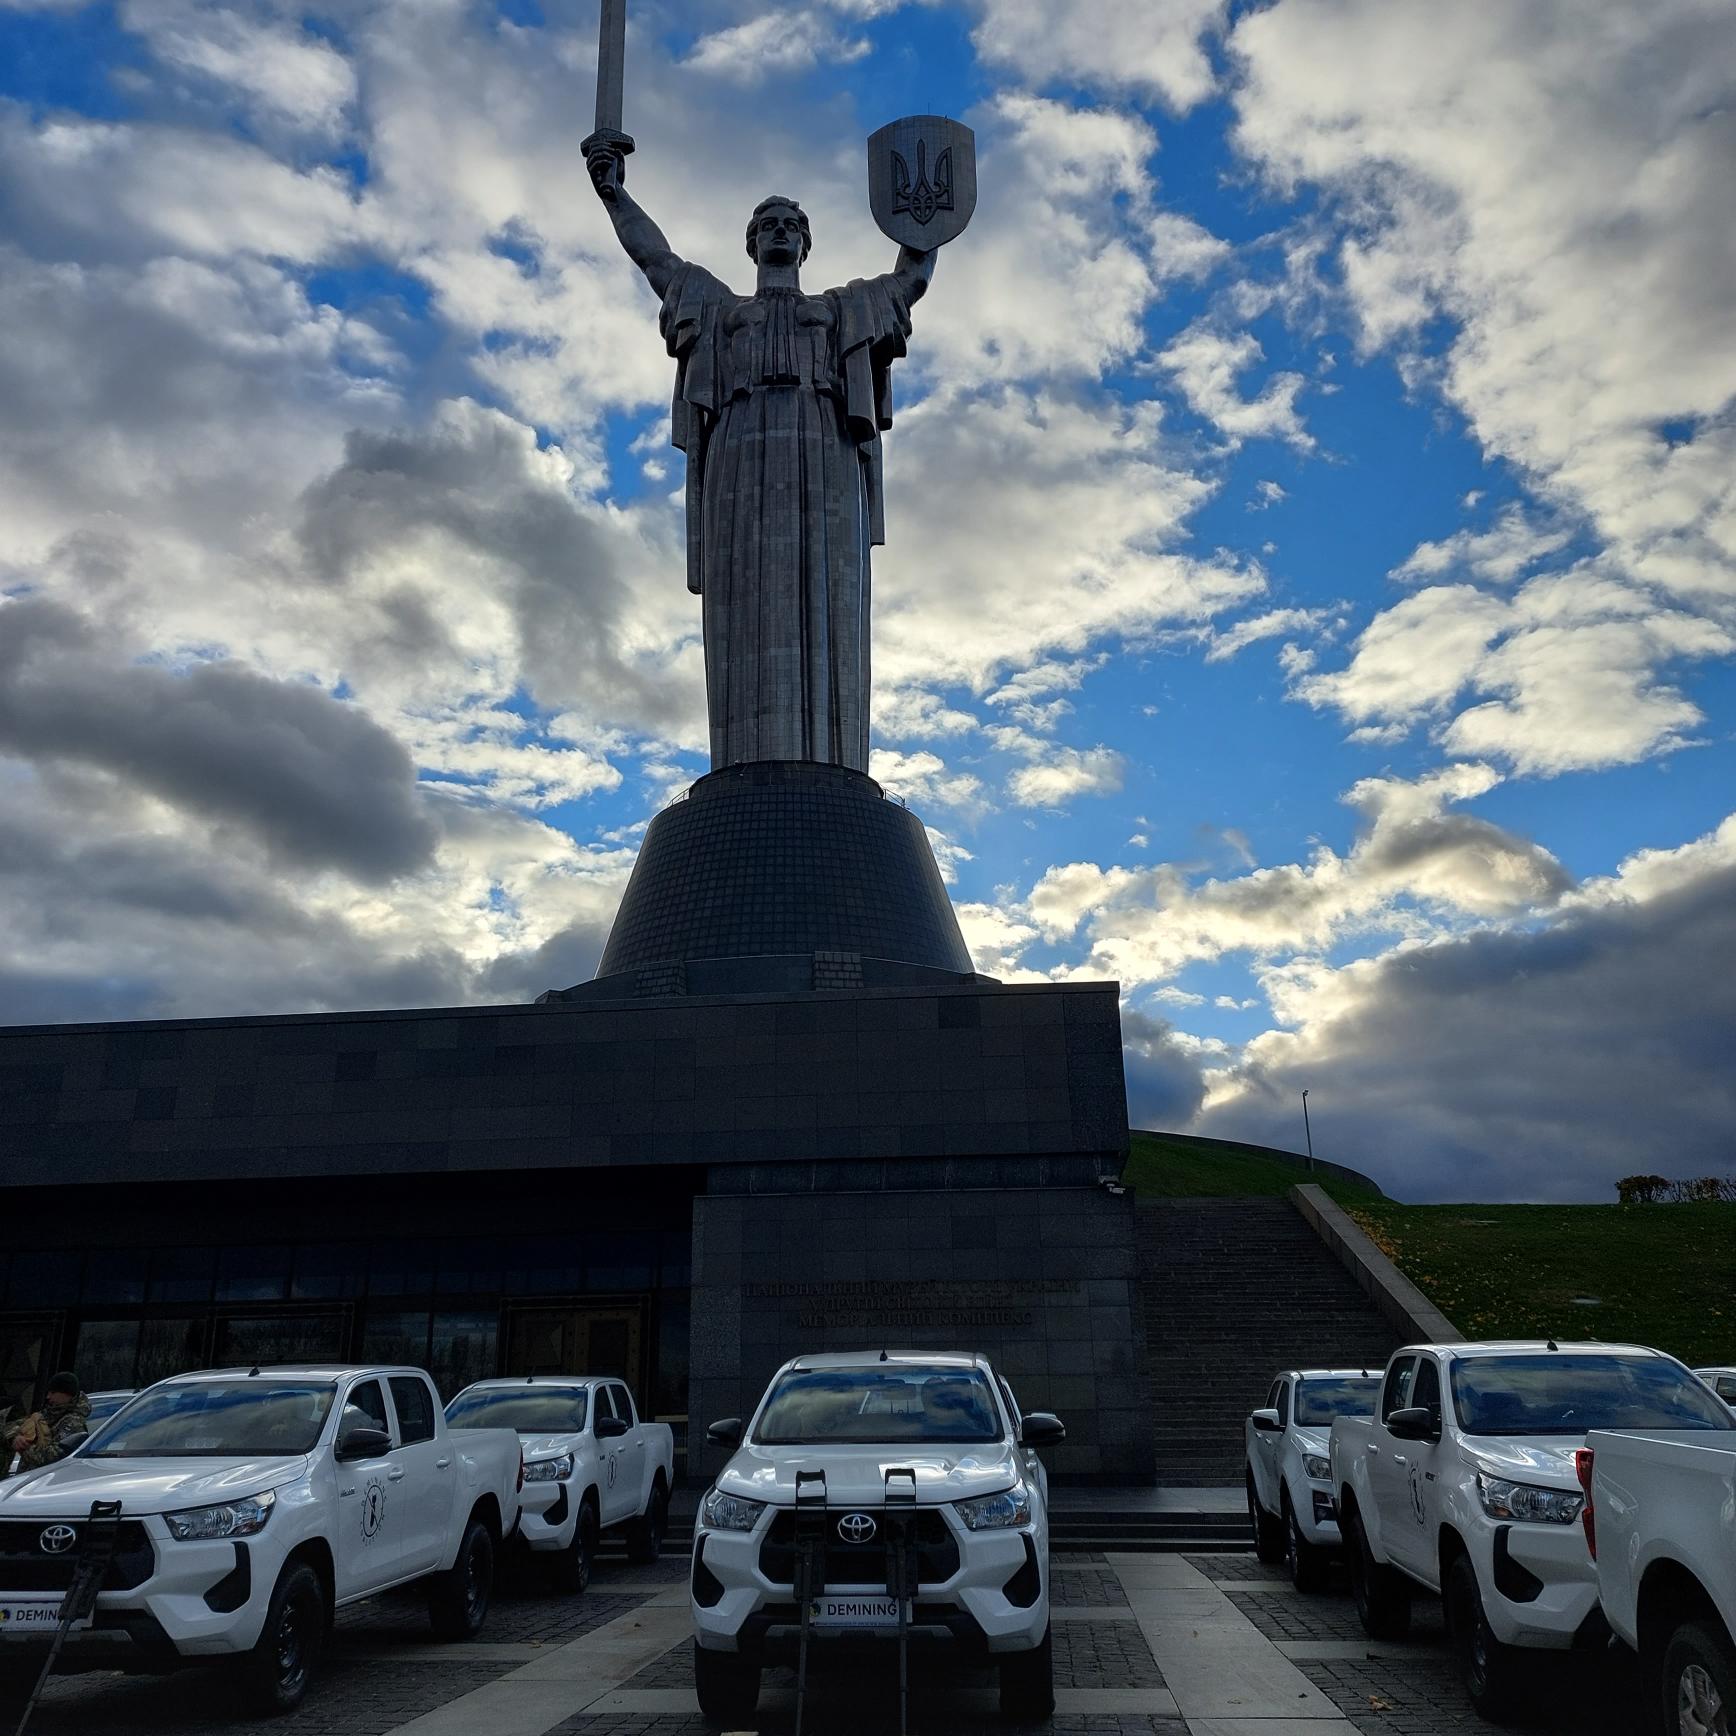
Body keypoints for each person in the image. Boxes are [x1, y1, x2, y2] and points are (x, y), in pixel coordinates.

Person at [586, 143, 936, 774]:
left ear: (806, 245)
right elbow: (653, 258)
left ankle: (830, 762)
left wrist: (926, 227)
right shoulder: (722, 311)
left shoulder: (837, 310)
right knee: (743, 592)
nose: (780, 231)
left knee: (829, 587)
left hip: (822, 443)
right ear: (750, 244)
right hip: (742, 453)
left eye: (791, 225)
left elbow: (909, 282)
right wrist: (615, 195)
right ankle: (746, 763)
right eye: (768, 224)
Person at [6, 1372, 91, 1474]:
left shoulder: (73, 1422)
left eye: (53, 1392)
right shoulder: (48, 1413)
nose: (48, 1397)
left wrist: (24, 1447)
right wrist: (15, 1437)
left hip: (47, 1480)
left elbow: (53, 1457)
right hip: (29, 1478)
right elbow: (11, 1425)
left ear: (67, 1393)